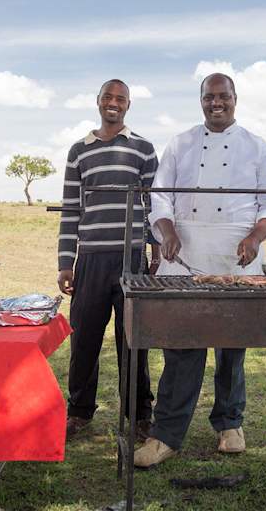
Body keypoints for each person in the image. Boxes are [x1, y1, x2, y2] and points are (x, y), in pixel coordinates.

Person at [134, 72, 266, 468]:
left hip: (236, 256)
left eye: (223, 96)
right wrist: (165, 231)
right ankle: (165, 435)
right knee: (182, 346)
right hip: (183, 253)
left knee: (232, 347)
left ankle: (230, 424)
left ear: (235, 98)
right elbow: (160, 198)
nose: (216, 103)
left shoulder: (256, 147)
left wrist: (255, 238)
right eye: (209, 97)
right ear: (200, 100)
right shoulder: (181, 143)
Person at [58, 79, 158, 441]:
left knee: (132, 338)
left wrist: (155, 251)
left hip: (132, 259)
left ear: (128, 105)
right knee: (84, 337)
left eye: (120, 99)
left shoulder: (143, 149)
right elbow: (71, 210)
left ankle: (139, 414)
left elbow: (153, 207)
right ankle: (80, 411)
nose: (113, 103)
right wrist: (65, 262)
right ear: (98, 102)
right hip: (91, 260)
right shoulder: (78, 151)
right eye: (108, 98)